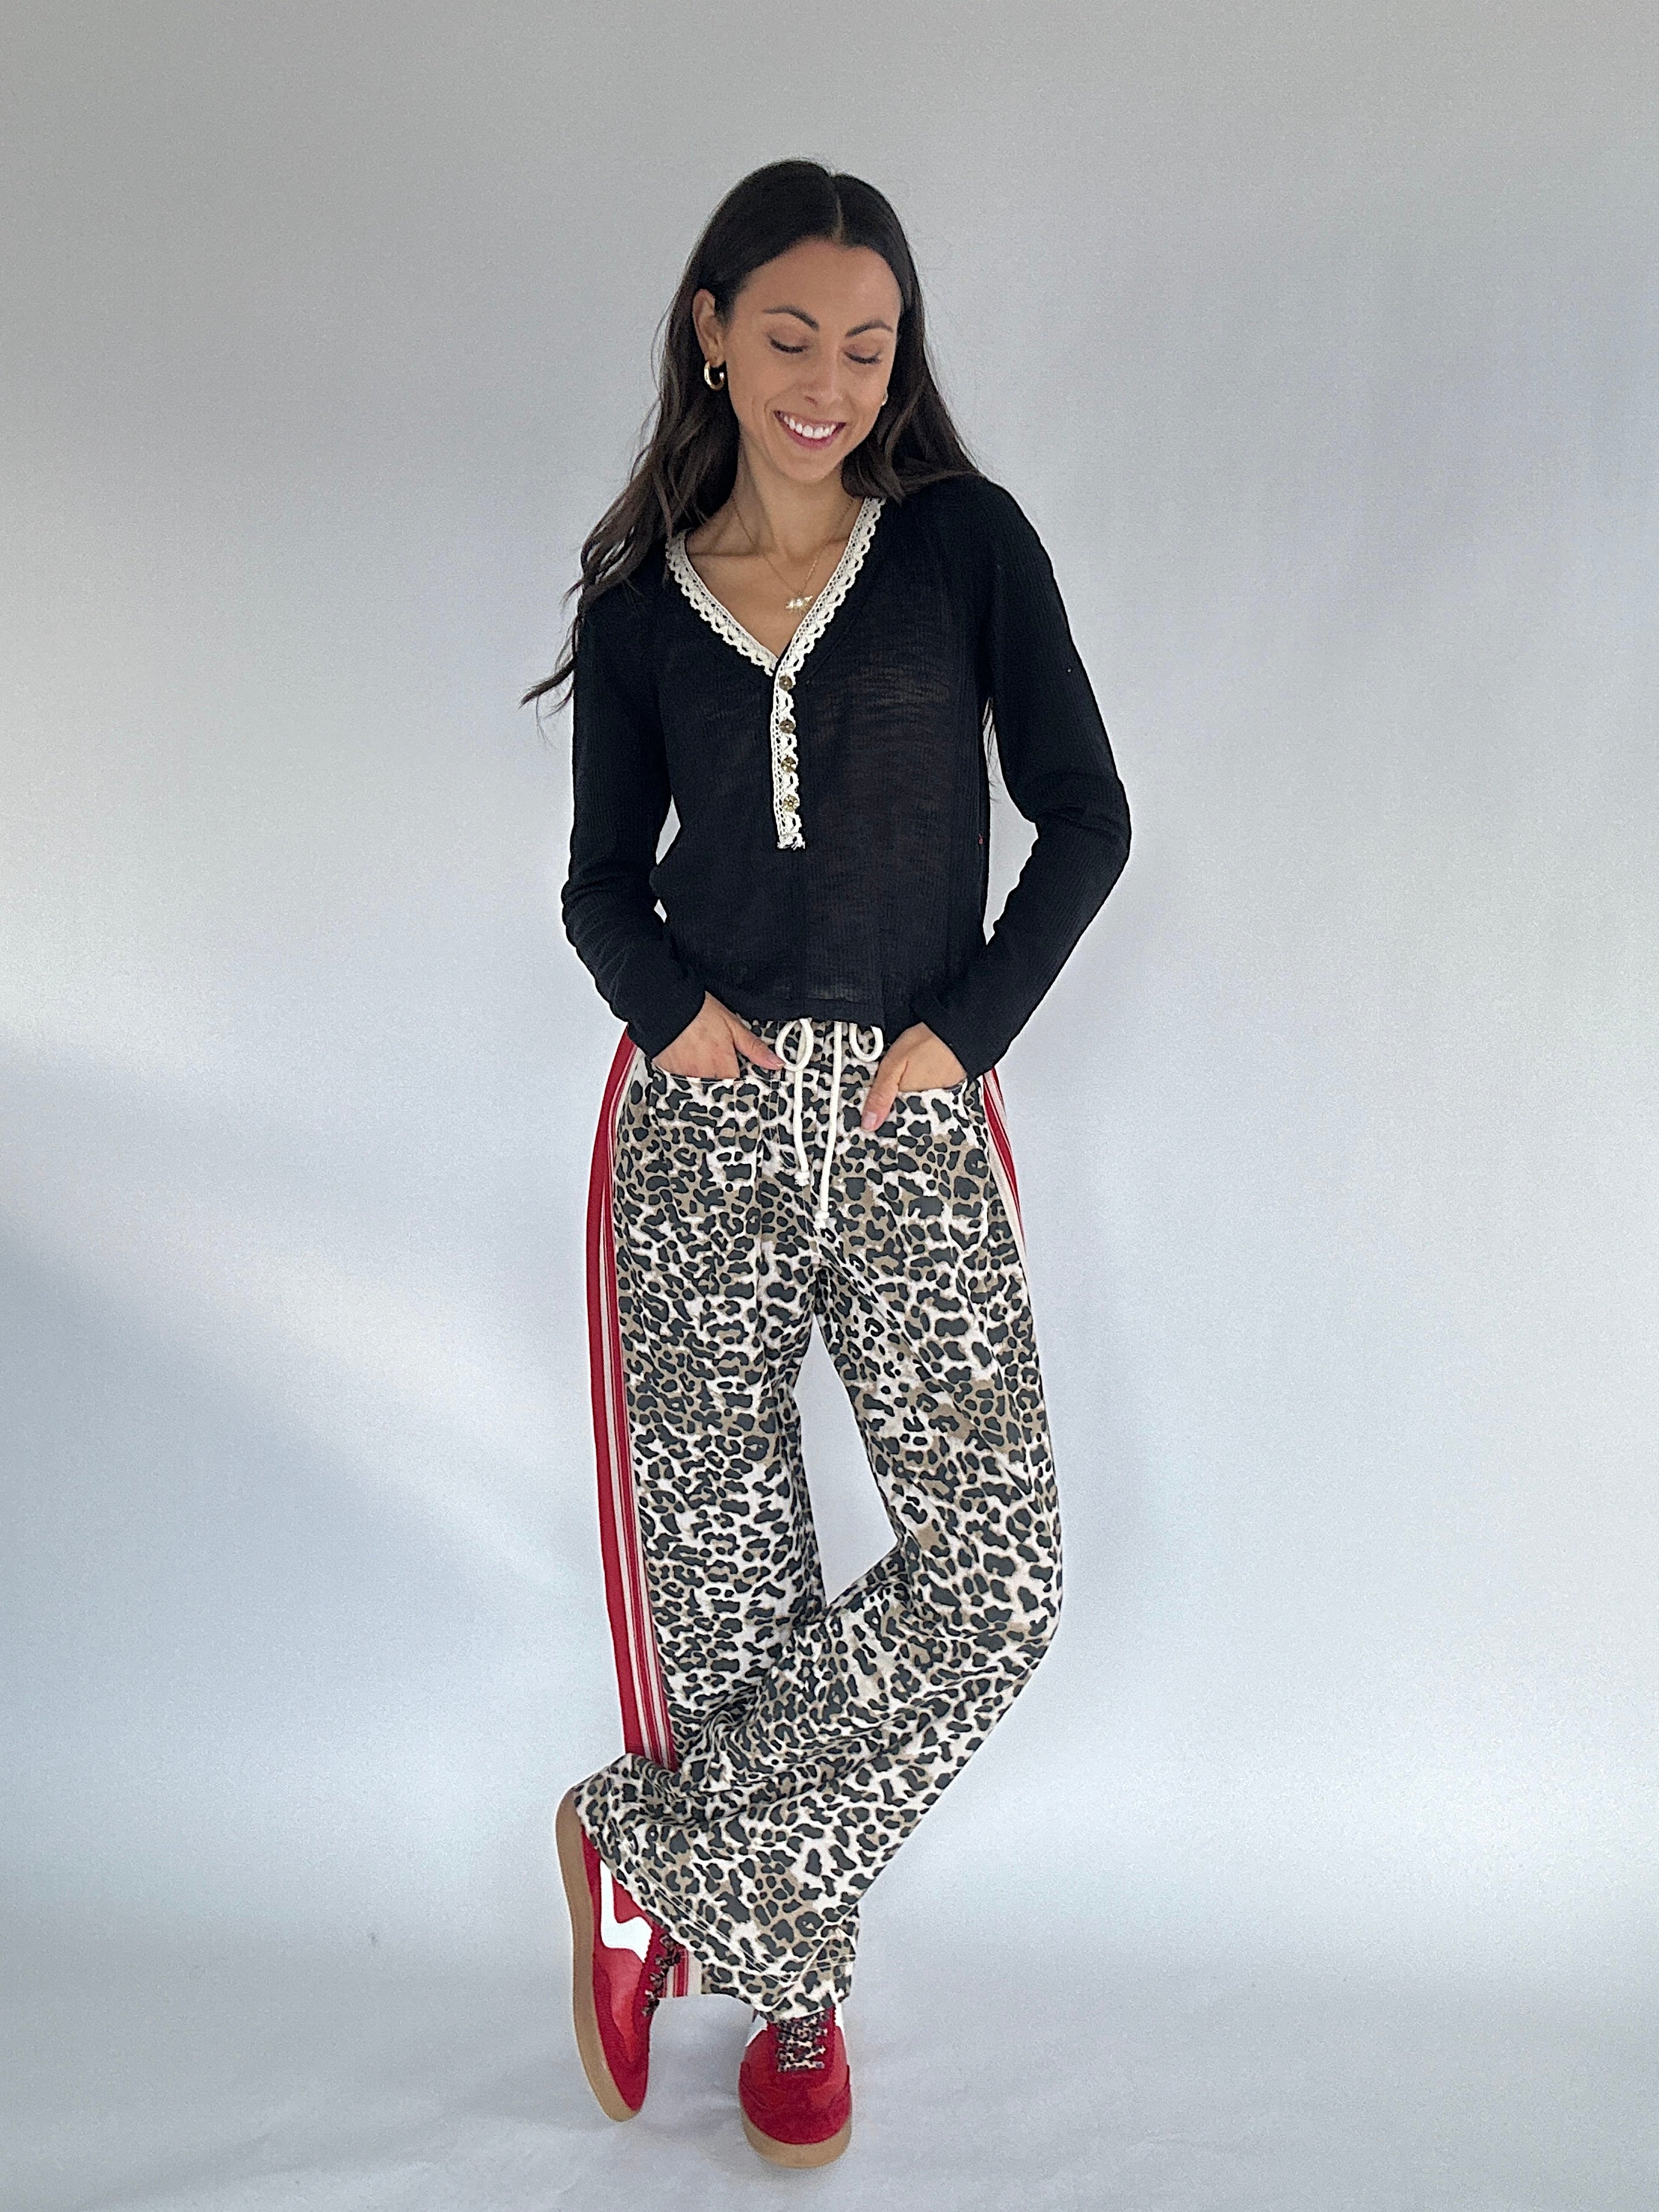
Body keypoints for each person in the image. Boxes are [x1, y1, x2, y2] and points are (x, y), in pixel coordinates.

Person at [526, 157, 1130, 2168]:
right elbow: (601, 885)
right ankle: (794, 1996)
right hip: (696, 1122)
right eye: (790, 334)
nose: (830, 382)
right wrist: (677, 1022)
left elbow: (1088, 819)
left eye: (868, 347)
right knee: (734, 1589)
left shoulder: (963, 547)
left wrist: (960, 1038)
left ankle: (647, 1859)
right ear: (711, 323)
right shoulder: (639, 609)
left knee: (995, 1574)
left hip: (910, 1116)